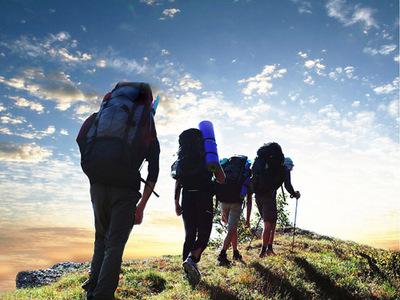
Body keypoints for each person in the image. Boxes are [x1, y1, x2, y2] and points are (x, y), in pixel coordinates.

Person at [77, 82, 160, 300]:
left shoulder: (103, 114)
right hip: (125, 189)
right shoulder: (146, 123)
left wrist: (92, 170)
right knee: (115, 244)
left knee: (100, 238)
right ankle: (103, 295)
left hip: (97, 184)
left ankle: (93, 287)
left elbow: (81, 137)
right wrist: (141, 205)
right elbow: (154, 167)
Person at [173, 128, 225, 286]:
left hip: (187, 197)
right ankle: (192, 259)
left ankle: (187, 272)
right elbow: (221, 179)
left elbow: (178, 181)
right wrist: (215, 165)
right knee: (203, 234)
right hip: (204, 197)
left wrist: (176, 202)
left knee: (189, 235)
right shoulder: (207, 157)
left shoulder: (181, 160)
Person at [254, 155, 300, 257]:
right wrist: (294, 193)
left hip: (258, 196)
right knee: (268, 224)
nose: (291, 169)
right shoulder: (284, 169)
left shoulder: (269, 169)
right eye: (291, 167)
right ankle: (263, 251)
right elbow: (287, 185)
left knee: (272, 222)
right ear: (288, 165)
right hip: (268, 198)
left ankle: (269, 248)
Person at [215, 156, 252, 266]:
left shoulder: (227, 169)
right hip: (236, 203)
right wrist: (248, 219)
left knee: (232, 228)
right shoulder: (245, 175)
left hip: (223, 201)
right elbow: (249, 200)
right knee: (231, 229)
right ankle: (222, 255)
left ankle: (235, 252)